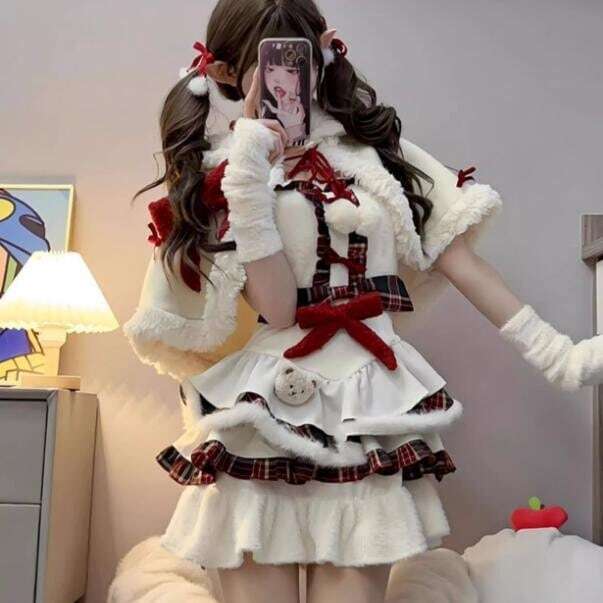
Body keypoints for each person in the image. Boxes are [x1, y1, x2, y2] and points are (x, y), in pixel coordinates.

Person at [124, 1, 603, 602]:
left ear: (325, 48)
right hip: (265, 411)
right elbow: (278, 309)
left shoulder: (376, 158)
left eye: (300, 58)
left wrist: (560, 355)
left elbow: (460, 261)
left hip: (367, 406)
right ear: (223, 72)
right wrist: (249, 169)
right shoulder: (225, 173)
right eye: (268, 63)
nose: (288, 80)